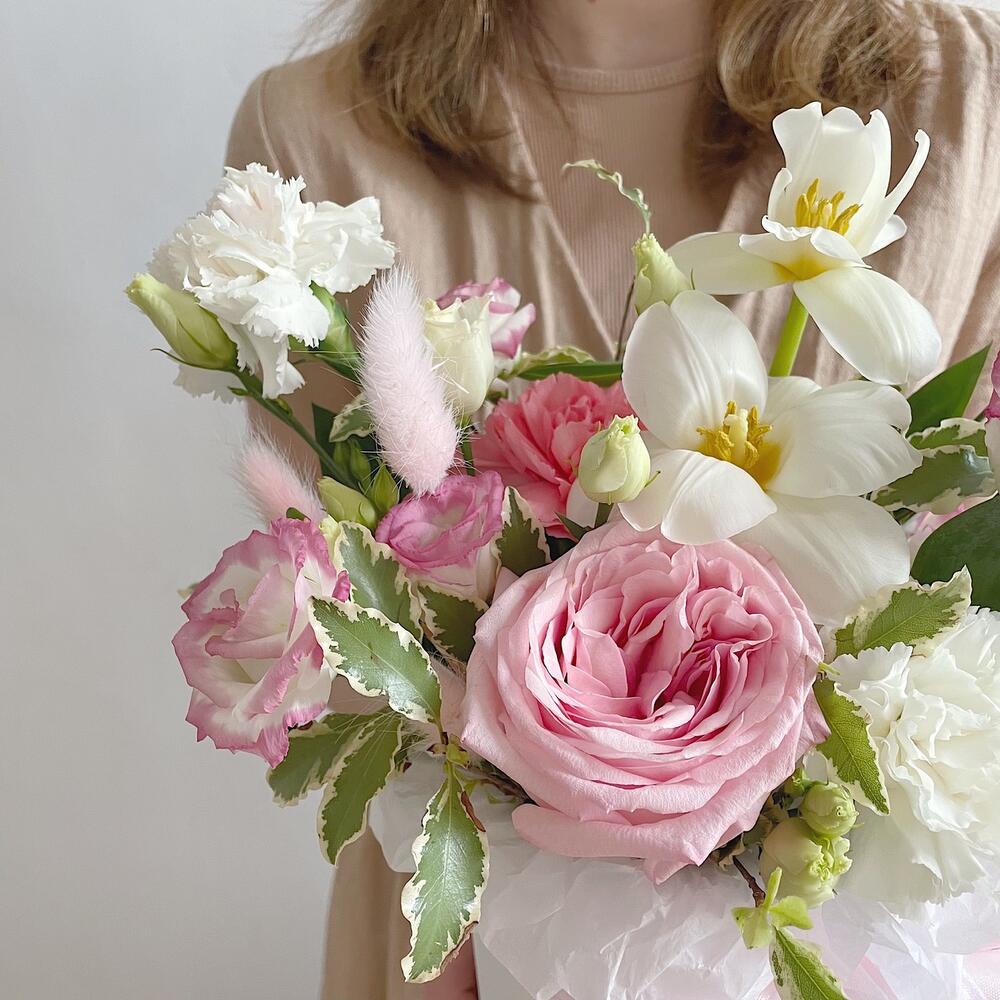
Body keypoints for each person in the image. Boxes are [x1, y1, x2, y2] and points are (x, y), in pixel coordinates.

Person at [226, 1, 1000, 996]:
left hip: (849, 937)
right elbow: (337, 610)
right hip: (469, 937)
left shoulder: (963, 96)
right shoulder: (316, 130)